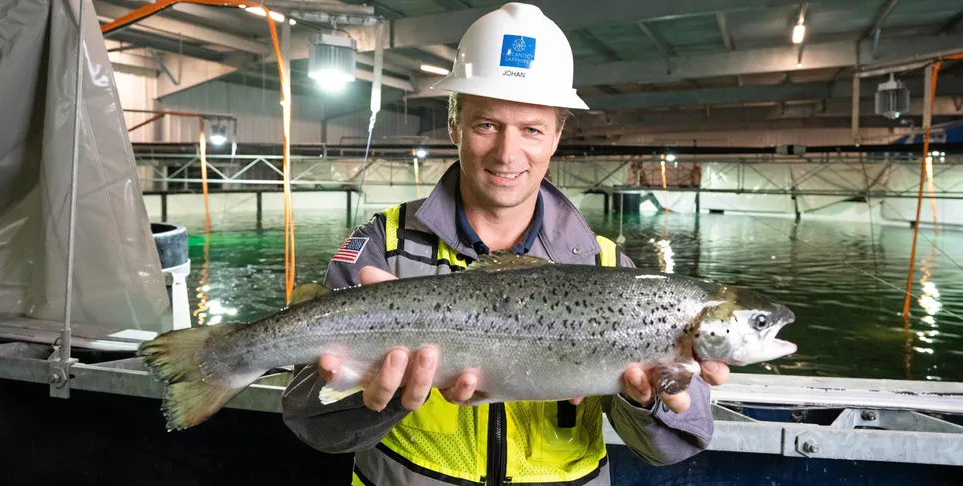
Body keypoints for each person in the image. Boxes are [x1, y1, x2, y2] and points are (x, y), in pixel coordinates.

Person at [281, 3, 728, 485]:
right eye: (486, 125)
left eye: (532, 130)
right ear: (454, 125)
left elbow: (678, 443)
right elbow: (312, 421)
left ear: (556, 137)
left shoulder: (607, 266)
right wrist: (380, 395)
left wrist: (648, 400)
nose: (507, 153)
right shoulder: (382, 247)